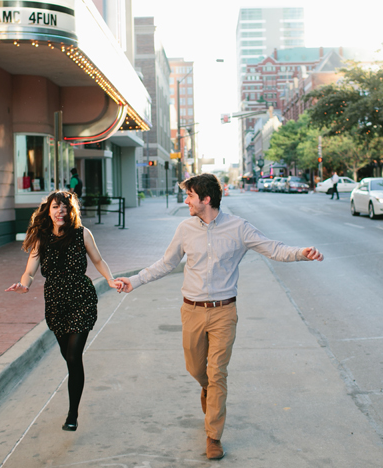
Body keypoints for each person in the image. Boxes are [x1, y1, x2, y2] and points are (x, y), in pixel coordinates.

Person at [115, 173, 323, 460]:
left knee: (218, 373)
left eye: (189, 196)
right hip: (192, 311)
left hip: (224, 311)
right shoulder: (185, 229)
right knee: (197, 370)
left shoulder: (239, 228)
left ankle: (213, 436)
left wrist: (302, 252)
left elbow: (273, 248)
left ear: (206, 199)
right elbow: (166, 264)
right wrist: (134, 281)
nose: (186, 200)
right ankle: (206, 389)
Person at [5, 191, 122, 432]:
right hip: (56, 303)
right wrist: (24, 284)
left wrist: (109, 280)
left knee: (73, 356)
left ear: (71, 211)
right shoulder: (41, 238)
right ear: (48, 210)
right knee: (68, 357)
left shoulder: (82, 234)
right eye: (56, 207)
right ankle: (74, 398)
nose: (60, 211)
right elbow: (30, 270)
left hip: (81, 299)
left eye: (65, 207)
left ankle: (72, 414)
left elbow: (98, 260)